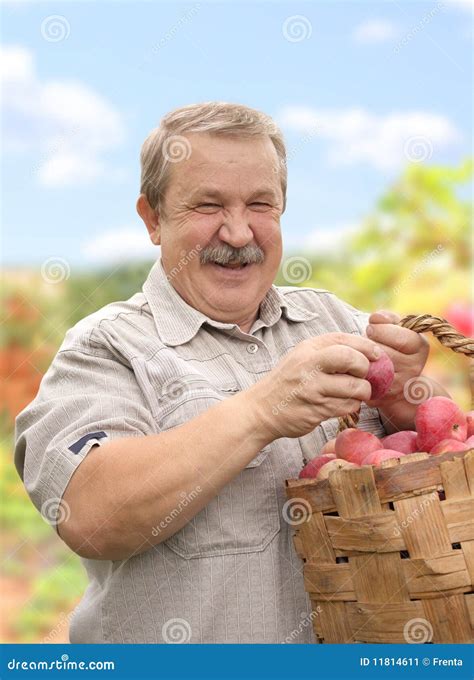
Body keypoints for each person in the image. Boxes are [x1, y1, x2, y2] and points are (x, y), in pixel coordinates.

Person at [14, 102, 449, 644]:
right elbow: (89, 515)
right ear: (153, 219)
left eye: (261, 204)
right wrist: (261, 411)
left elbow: (444, 472)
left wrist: (409, 399)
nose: (239, 232)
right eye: (208, 205)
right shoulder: (107, 347)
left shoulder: (339, 322)